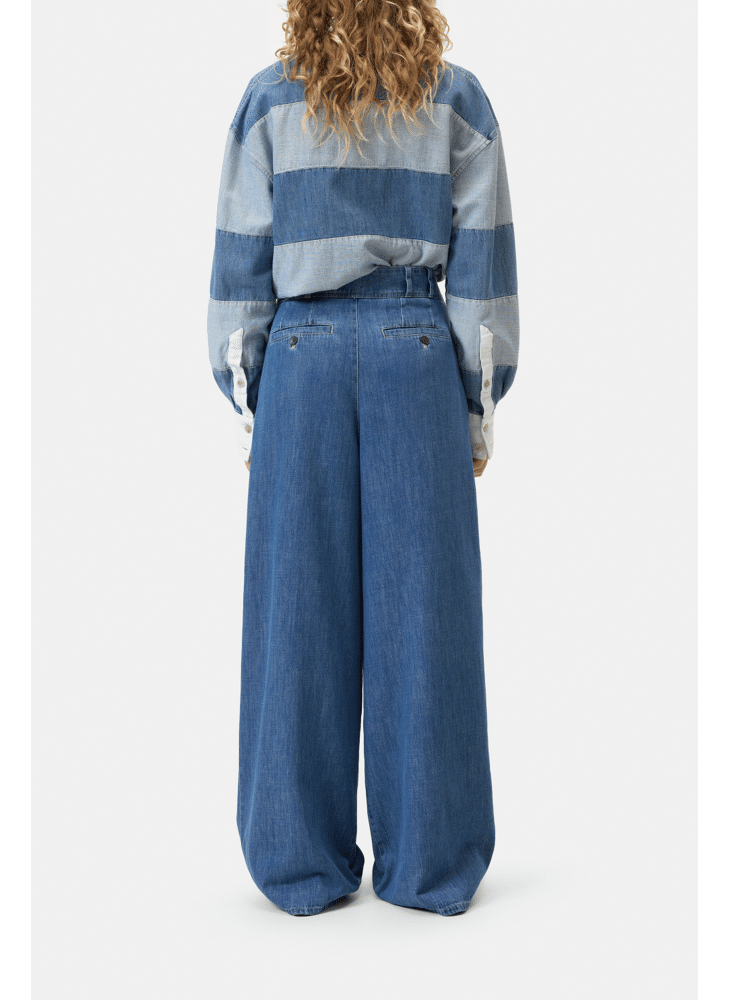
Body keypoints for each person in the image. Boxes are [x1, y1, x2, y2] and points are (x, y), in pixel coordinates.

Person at [206, 0, 520, 917]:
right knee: (427, 613)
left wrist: (250, 397)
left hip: (298, 360)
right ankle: (431, 862)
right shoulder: (457, 100)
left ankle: (296, 861)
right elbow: (483, 269)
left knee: (295, 610)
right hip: (414, 353)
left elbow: (239, 265)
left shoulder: (268, 101)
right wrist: (478, 406)